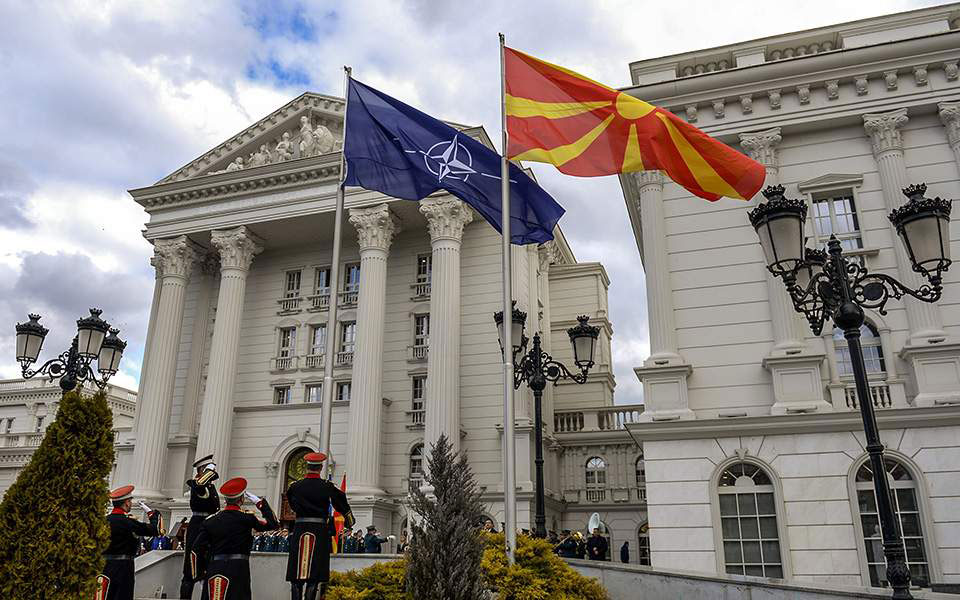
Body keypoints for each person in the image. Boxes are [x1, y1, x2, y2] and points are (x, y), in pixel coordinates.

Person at [193, 477, 278, 600]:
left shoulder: (210, 521)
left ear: (225, 500)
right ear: (242, 499)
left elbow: (196, 550)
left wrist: (199, 575)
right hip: (238, 568)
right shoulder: (247, 518)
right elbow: (273, 524)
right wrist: (260, 503)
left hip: (215, 566)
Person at [286, 452, 355, 600]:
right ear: (321, 467)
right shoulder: (327, 486)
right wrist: (350, 520)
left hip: (300, 529)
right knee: (314, 575)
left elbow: (292, 504)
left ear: (307, 467)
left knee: (295, 575)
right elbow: (341, 501)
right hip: (319, 530)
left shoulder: (295, 486)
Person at [95, 485, 161, 600]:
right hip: (124, 567)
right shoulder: (129, 522)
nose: (130, 504)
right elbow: (155, 530)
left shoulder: (103, 521)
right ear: (126, 503)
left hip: (104, 566)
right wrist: (151, 513)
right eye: (130, 501)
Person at [180, 454, 220, 599]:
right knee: (190, 569)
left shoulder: (209, 486)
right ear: (202, 470)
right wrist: (208, 471)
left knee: (208, 567)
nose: (214, 472)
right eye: (210, 469)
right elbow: (200, 485)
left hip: (209, 525)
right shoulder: (197, 485)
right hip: (198, 526)